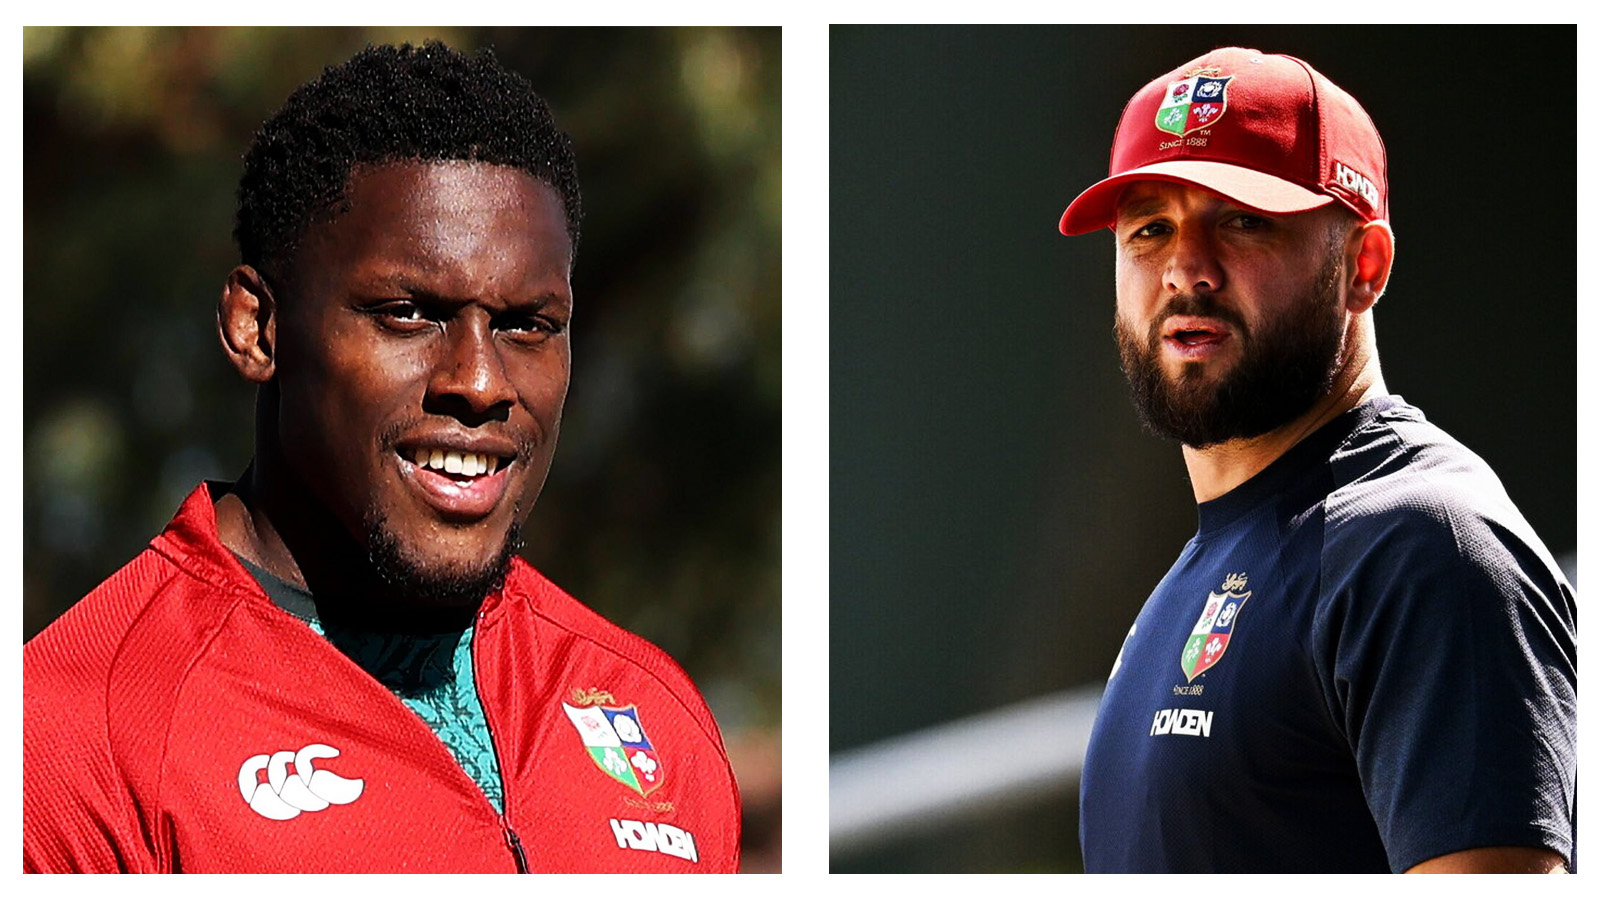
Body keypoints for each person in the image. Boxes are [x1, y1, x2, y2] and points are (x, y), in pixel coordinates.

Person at [24, 41, 740, 874]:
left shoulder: (651, 711)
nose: (478, 382)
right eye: (407, 313)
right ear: (260, 328)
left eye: (528, 325)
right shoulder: (75, 744)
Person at [1060, 47, 1575, 874]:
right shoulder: (1194, 575)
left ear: (1363, 268)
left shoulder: (1422, 545)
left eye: (1243, 220)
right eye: (1150, 230)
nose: (1184, 270)